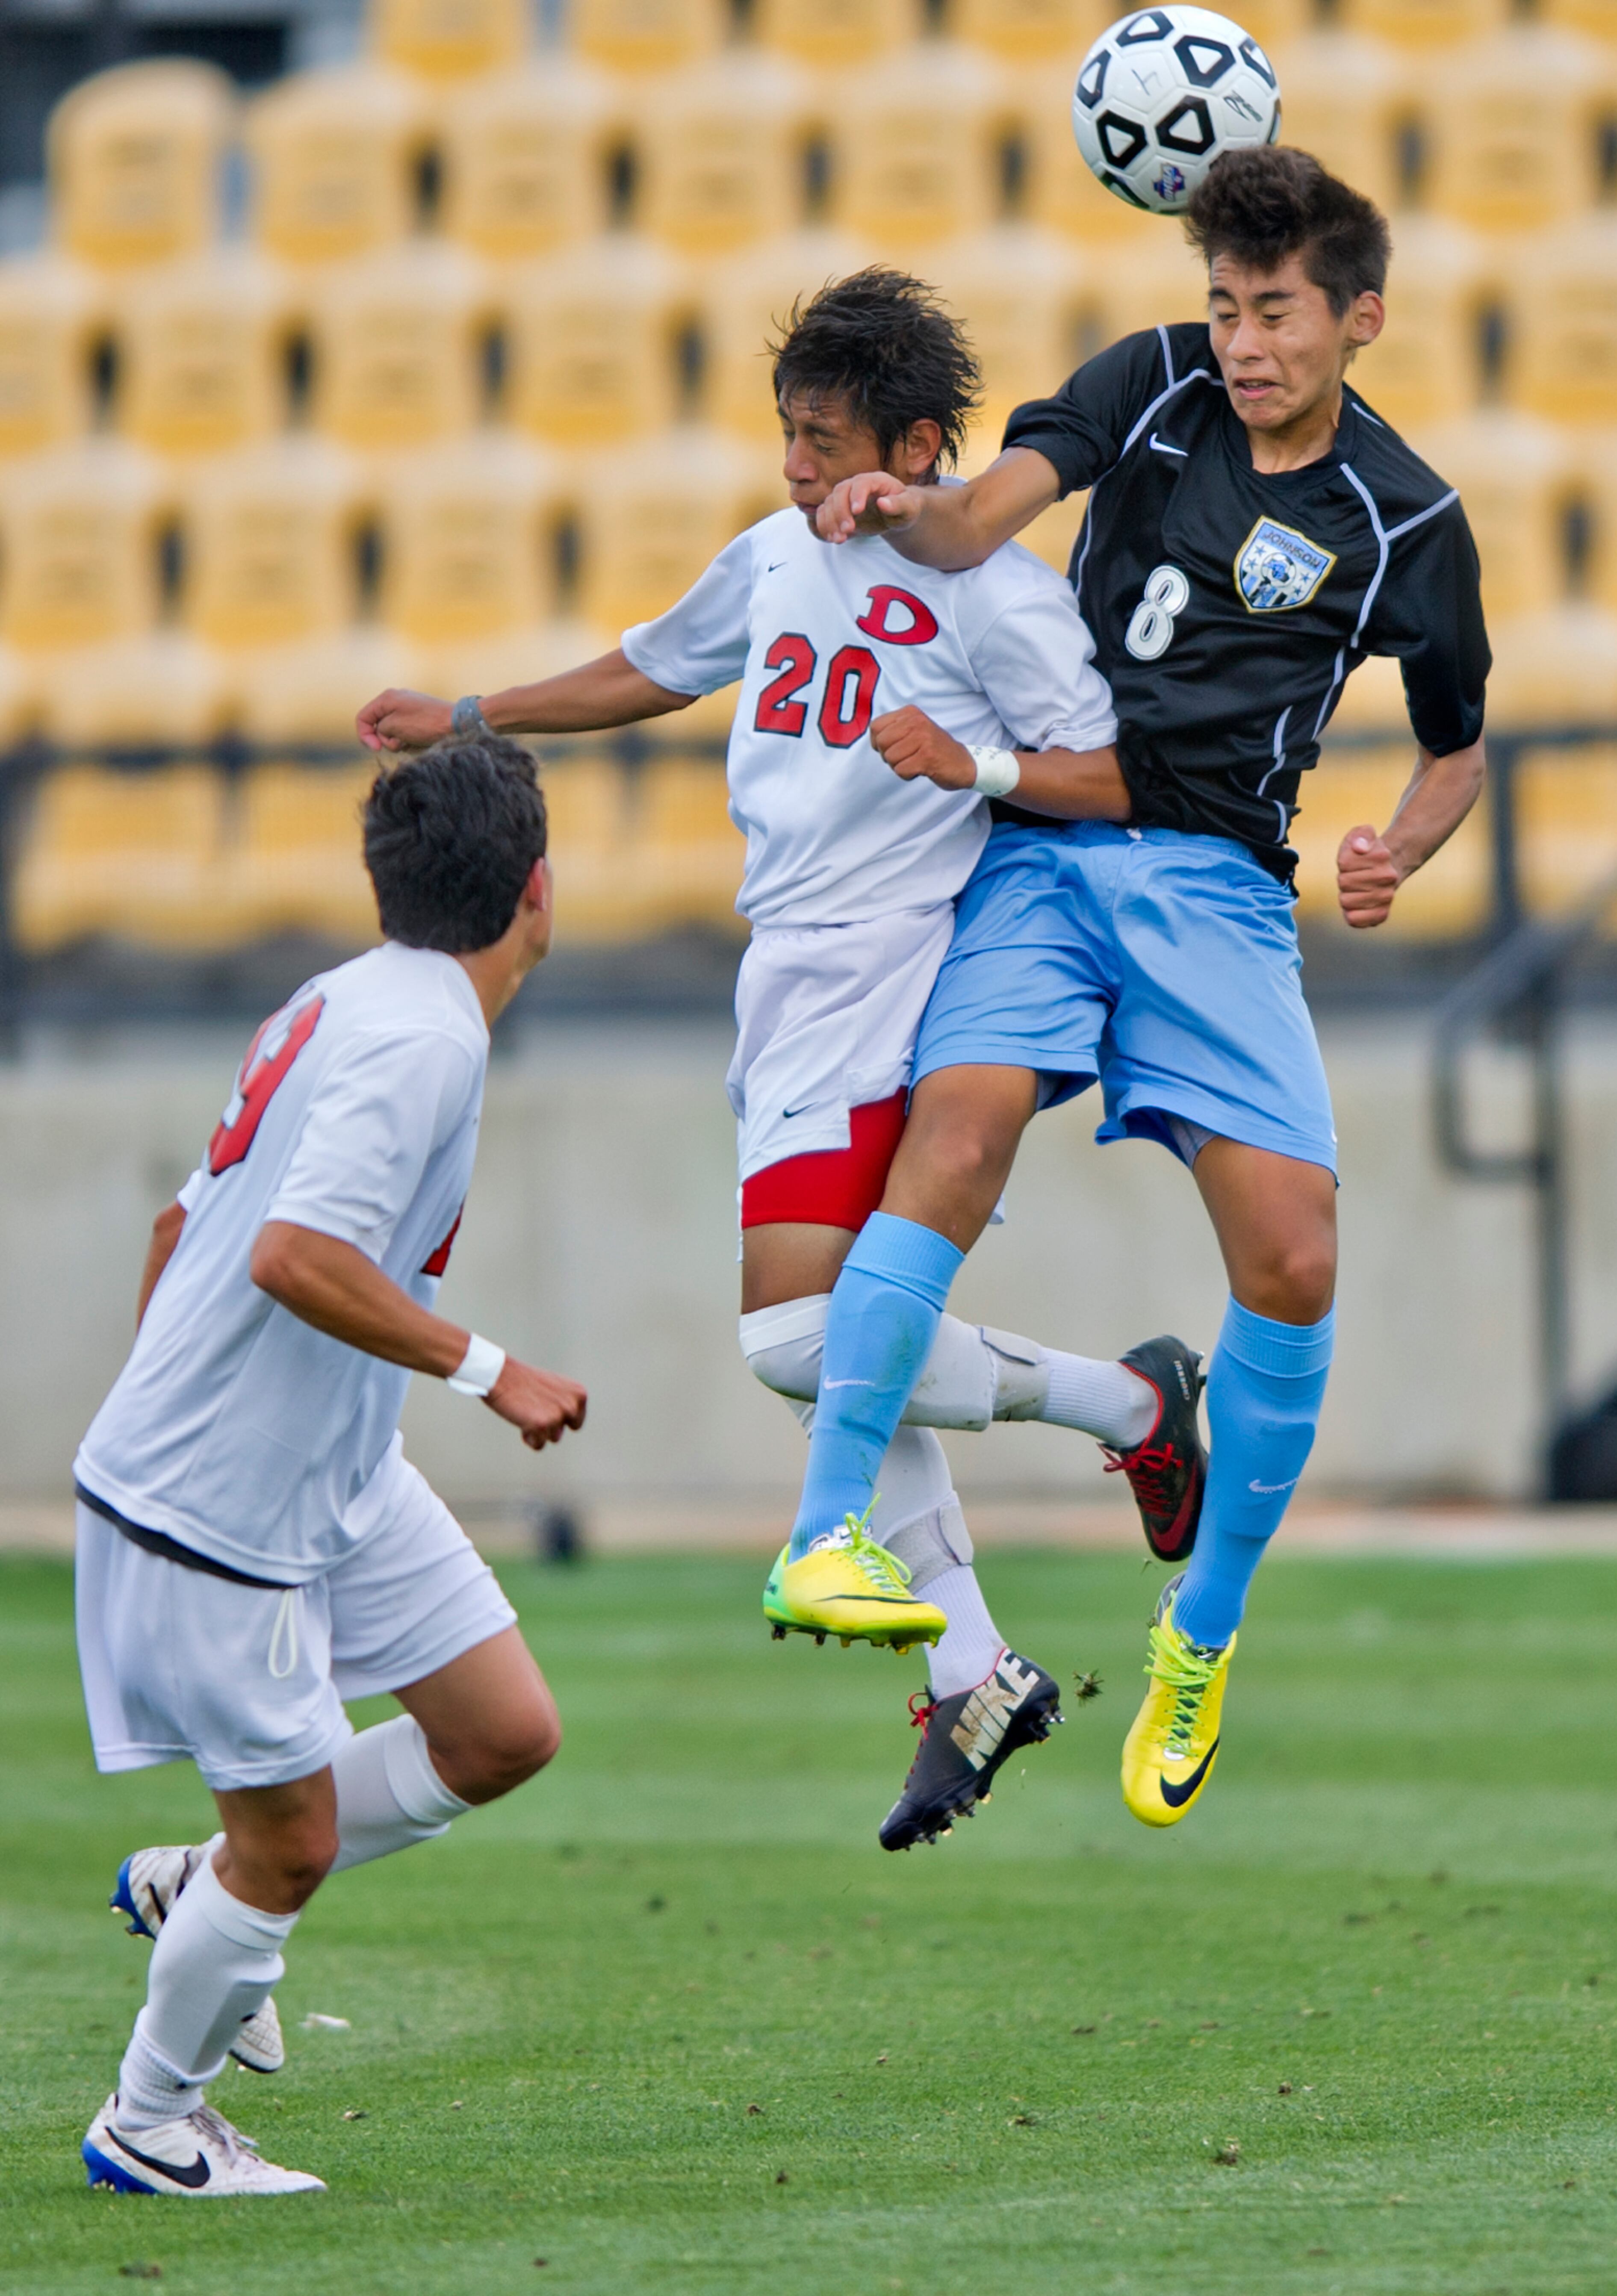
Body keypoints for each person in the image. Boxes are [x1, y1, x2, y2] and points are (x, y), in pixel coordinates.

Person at [355, 269, 1209, 1852]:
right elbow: (653, 666)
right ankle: (983, 1655)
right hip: (791, 976)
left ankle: (1114, 1417)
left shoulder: (996, 595)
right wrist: (471, 714)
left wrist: (980, 766)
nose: (802, 474)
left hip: (898, 973)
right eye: (789, 441)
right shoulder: (770, 557)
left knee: (796, 1341)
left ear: (924, 445)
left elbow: (1115, 775)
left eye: (826, 445)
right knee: (851, 1342)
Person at [800, 149, 1491, 1829]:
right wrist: (914, 512)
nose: (1243, 342)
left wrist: (1397, 843)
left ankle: (1204, 1628)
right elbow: (988, 514)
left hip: (1215, 890)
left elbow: (1459, 746)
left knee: (1298, 1256)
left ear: (1359, 318)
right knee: (950, 1143)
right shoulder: (1151, 382)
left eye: (1276, 312)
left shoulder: (1410, 520)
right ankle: (826, 1527)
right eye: (1226, 307)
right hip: (1039, 839)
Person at [78, 735, 588, 2196]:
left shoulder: (341, 994)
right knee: (291, 1841)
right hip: (222, 1498)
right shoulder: (422, 1038)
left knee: (500, 1729)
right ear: (537, 892)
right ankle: (152, 2118)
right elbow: (293, 1253)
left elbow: (184, 1231)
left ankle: (196, 1882)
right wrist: (492, 1371)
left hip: (333, 1468)